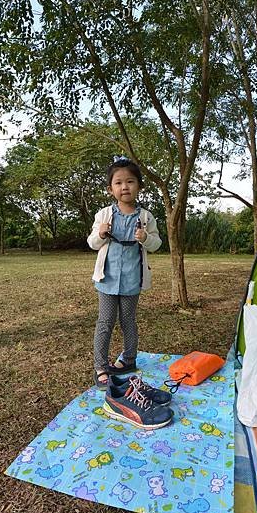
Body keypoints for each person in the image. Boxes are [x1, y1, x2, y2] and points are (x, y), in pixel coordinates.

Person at [87, 158, 162, 390]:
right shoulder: (104, 215)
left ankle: (129, 360)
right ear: (111, 189)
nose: (125, 187)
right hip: (107, 280)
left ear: (139, 186)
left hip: (132, 280)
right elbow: (92, 243)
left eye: (130, 181)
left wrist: (145, 238)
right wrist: (100, 233)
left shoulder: (147, 217)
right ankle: (101, 368)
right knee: (105, 322)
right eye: (118, 183)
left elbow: (156, 244)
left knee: (128, 321)